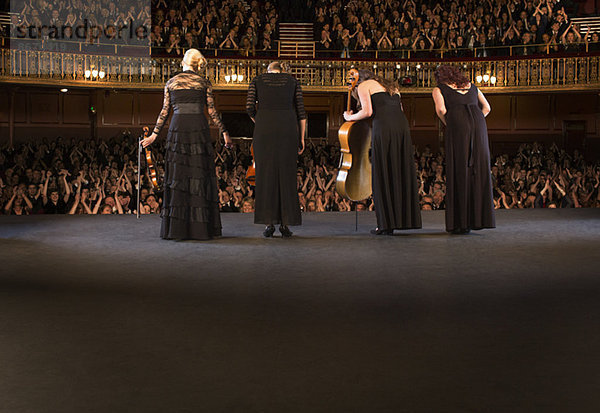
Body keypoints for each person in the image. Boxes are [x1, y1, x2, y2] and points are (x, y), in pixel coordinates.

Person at [142, 49, 232, 240]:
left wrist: (154, 135)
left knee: (179, 176)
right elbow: (212, 111)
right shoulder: (203, 83)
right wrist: (224, 131)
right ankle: (200, 230)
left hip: (178, 128)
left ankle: (178, 229)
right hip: (198, 127)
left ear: (183, 61)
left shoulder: (171, 82)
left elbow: (164, 112)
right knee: (199, 175)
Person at [343, 70, 422, 235]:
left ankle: (386, 224)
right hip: (401, 126)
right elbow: (398, 108)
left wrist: (349, 117)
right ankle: (405, 220)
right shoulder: (391, 86)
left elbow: (368, 112)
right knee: (400, 170)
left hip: (384, 127)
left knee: (383, 172)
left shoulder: (364, 85)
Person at [432, 65, 495, 234]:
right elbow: (487, 108)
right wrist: (475, 122)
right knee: (478, 168)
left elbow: (441, 110)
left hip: (457, 123)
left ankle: (460, 223)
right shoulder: (471, 85)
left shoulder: (439, 89)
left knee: (460, 168)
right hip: (478, 122)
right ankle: (479, 219)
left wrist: (451, 124)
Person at [246, 61, 306, 237]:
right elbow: (301, 112)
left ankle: (268, 224)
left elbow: (249, 108)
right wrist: (301, 138)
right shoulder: (293, 82)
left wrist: (262, 122)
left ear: (268, 71)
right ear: (282, 71)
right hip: (288, 129)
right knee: (287, 176)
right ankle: (285, 225)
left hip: (264, 130)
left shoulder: (256, 81)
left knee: (265, 176)